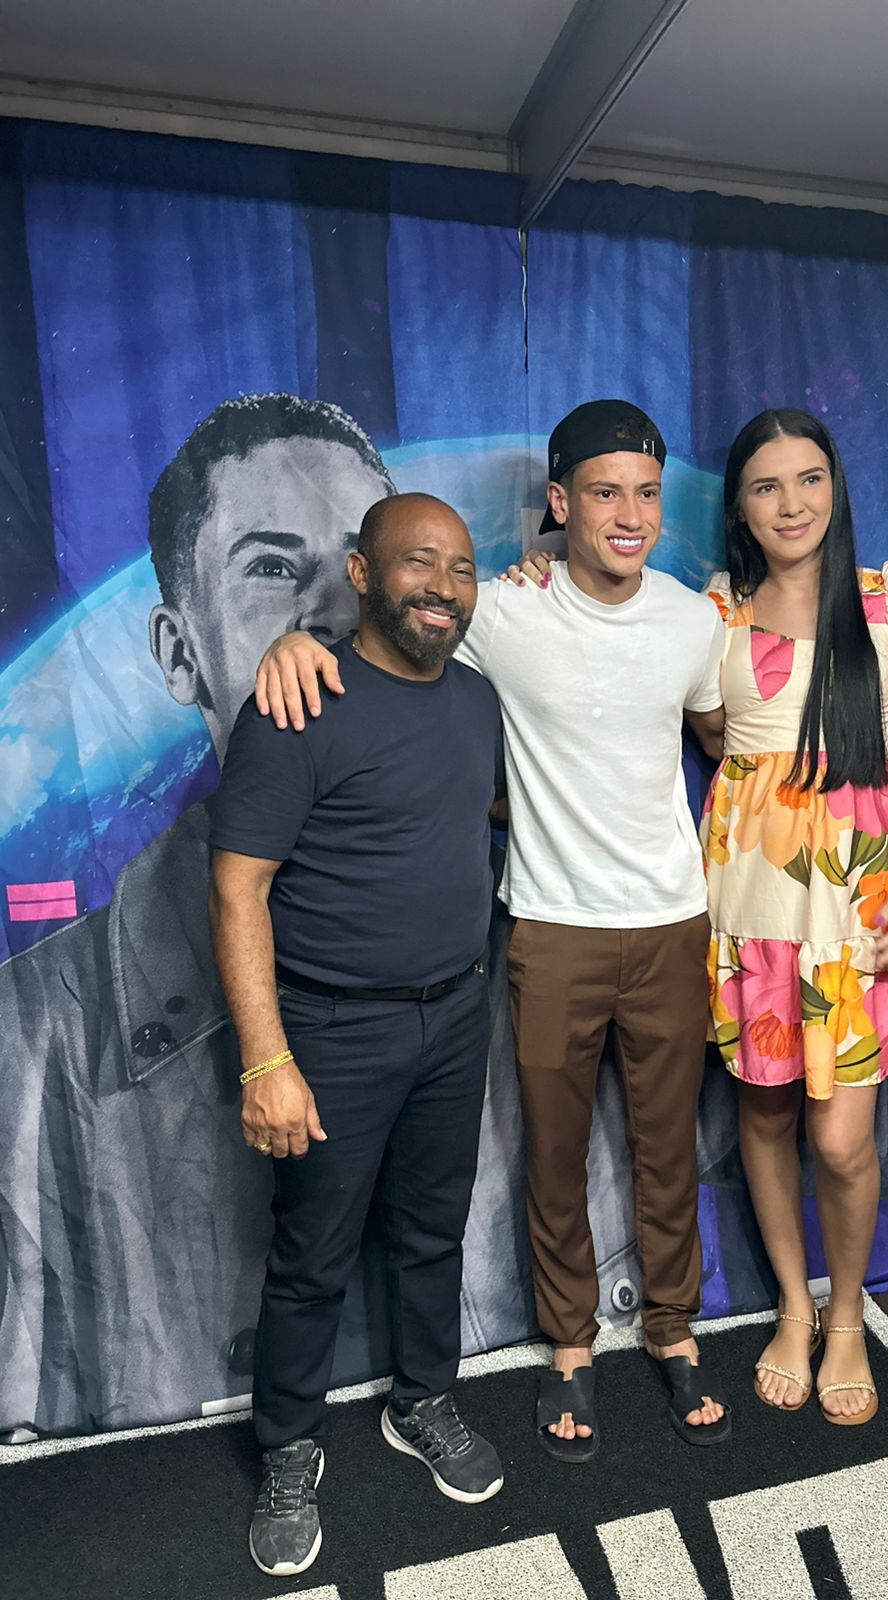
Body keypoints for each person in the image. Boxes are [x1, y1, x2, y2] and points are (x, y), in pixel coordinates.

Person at [255, 400, 733, 1456]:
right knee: (553, 1155)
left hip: (671, 919)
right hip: (549, 926)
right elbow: (394, 643)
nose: (629, 515)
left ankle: (673, 1329)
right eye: (604, 493)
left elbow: (715, 729)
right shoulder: (499, 611)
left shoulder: (693, 621)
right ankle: (570, 1346)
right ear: (559, 502)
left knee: (669, 1149)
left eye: (646, 495)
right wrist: (292, 644)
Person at [0, 394, 397, 1436]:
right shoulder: (35, 1039)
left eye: (361, 560)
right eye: (272, 567)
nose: (332, 608)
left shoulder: (492, 940)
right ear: (180, 654)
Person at [210, 492, 504, 1577]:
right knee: (312, 1254)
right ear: (363, 573)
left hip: (456, 1012)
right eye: (419, 563)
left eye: (462, 569)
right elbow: (237, 888)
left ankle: (422, 1399)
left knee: (432, 1229)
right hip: (330, 1030)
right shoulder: (300, 703)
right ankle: (288, 1444)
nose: (444, 586)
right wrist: (266, 1058)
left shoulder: (476, 701)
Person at [697, 407, 888, 1425]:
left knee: (842, 1139)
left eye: (809, 478)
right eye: (766, 486)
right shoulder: (714, 612)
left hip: (862, 910)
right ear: (739, 507)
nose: (791, 503)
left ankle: (847, 1316)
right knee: (765, 1115)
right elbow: (711, 735)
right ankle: (794, 1306)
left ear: (836, 486)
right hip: (752, 904)